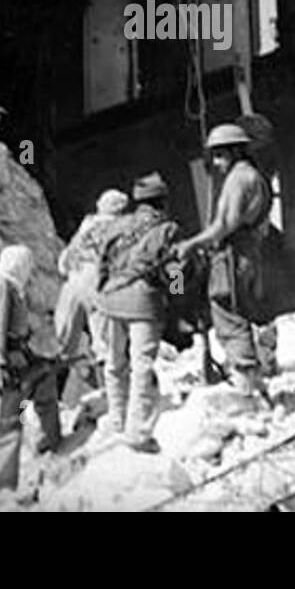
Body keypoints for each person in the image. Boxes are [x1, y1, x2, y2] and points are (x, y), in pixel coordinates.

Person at [173, 123, 275, 399]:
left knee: (228, 311)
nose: (216, 164)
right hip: (243, 253)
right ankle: (244, 374)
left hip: (229, 255)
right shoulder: (255, 176)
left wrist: (192, 245)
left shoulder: (239, 178)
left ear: (234, 152)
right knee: (233, 308)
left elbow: (225, 224)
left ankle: (245, 381)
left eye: (219, 156)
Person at [96, 172, 180, 453]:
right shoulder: (166, 229)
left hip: (109, 298)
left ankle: (116, 420)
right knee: (141, 366)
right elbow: (174, 270)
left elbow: (102, 264)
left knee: (114, 362)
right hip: (142, 301)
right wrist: (179, 296)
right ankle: (138, 433)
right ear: (162, 202)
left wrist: (104, 291)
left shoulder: (117, 226)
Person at [0, 244, 63, 494]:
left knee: (41, 390)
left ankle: (49, 446)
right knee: (8, 425)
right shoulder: (0, 286)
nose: (29, 271)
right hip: (5, 363)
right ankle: (0, 491)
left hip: (17, 359)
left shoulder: (11, 286)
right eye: (26, 265)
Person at [54, 188, 129, 390]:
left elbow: (63, 262)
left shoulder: (85, 227)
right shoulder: (121, 229)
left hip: (72, 285)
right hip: (98, 287)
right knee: (104, 344)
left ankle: (53, 396)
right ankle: (109, 393)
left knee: (63, 345)